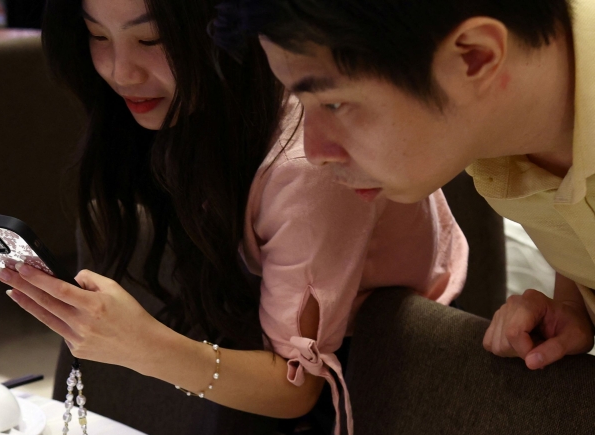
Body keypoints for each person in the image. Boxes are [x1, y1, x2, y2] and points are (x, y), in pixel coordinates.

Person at [0, 0, 467, 435]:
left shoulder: (307, 159)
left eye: (150, 40)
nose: (119, 70)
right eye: (96, 36)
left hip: (390, 373)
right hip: (309, 348)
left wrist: (143, 345)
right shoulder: (201, 106)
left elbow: (295, 389)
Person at [216, 0, 595, 370]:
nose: (315, 152)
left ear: (474, 57)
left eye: (334, 104)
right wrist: (573, 303)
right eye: (300, 102)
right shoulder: (505, 115)